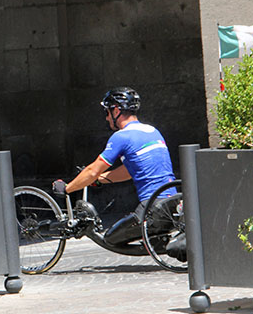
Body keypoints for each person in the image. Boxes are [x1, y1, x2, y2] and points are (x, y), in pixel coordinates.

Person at [52, 86, 177, 248]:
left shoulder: (121, 136)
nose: (106, 118)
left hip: (152, 208)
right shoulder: (153, 131)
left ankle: (155, 242)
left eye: (107, 112)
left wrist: (68, 188)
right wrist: (99, 180)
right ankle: (156, 241)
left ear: (116, 110)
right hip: (172, 204)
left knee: (110, 239)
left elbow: (93, 170)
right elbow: (129, 171)